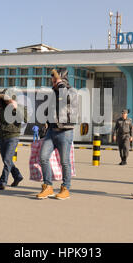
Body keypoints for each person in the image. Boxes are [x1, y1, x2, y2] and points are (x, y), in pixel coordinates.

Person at [36, 69, 77, 200]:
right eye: (53, 80)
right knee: (43, 157)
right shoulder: (54, 93)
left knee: (64, 162)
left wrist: (59, 82)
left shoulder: (71, 91)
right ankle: (48, 186)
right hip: (51, 131)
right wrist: (46, 123)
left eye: (54, 79)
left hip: (65, 132)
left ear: (62, 80)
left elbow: (65, 98)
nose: (52, 82)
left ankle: (66, 188)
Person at [0, 91, 27, 190]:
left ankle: (3, 182)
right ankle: (17, 176)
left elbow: (25, 118)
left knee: (7, 159)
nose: (6, 101)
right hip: (3, 137)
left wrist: (16, 108)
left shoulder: (20, 107)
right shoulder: (1, 109)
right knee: (6, 160)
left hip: (13, 136)